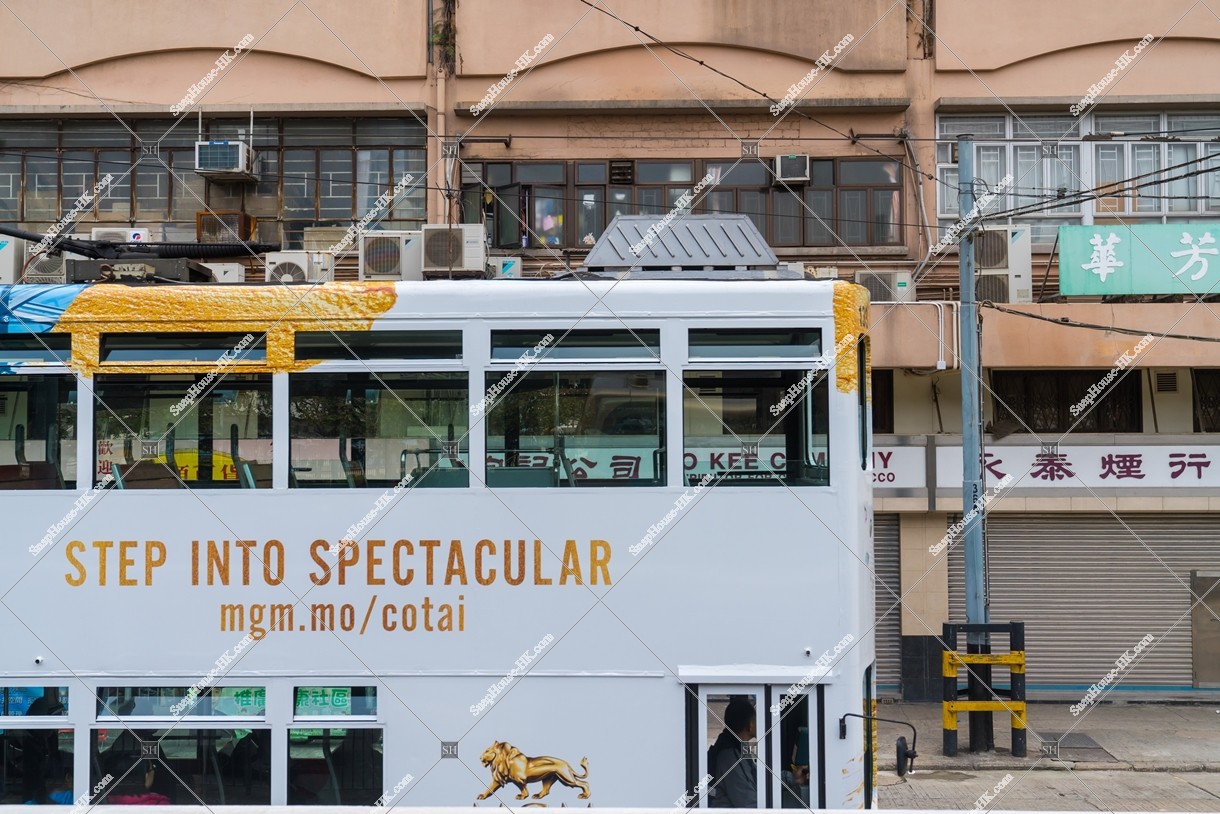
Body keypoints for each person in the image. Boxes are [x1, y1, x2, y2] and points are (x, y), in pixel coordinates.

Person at [708, 695, 757, 808]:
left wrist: (790, 778)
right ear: (750, 725)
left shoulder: (740, 745)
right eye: (756, 719)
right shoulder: (730, 756)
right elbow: (747, 803)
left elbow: (756, 775)